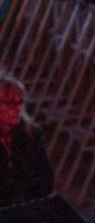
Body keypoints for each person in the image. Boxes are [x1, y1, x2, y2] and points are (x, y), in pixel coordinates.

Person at [0, 72, 55, 207]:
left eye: (20, 102)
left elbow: (44, 178)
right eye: (10, 103)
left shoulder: (29, 135)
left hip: (25, 206)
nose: (18, 109)